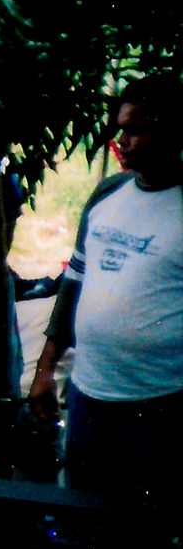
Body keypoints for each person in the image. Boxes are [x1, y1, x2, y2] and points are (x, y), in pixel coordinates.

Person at [28, 75, 183, 522]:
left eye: (134, 129)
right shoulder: (107, 195)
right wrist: (45, 370)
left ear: (169, 130)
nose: (123, 141)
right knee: (82, 521)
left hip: (159, 407)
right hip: (90, 397)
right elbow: (72, 286)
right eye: (120, 128)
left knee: (146, 530)